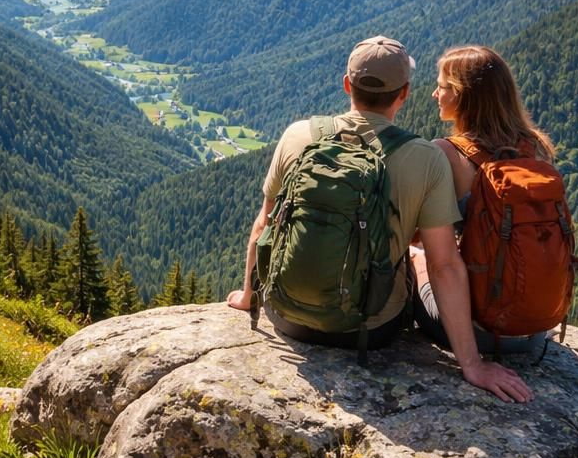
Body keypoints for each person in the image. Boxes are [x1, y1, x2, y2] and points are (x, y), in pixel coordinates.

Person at [227, 36, 533, 403]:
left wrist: (249, 297)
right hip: (371, 328)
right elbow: (444, 265)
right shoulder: (426, 159)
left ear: (346, 85)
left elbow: (265, 224)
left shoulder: (298, 135)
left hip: (286, 316)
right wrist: (472, 365)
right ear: (404, 93)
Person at [412, 44, 557, 354]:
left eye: (441, 88)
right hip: (534, 330)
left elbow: (415, 236)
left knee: (414, 253)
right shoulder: (536, 148)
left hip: (478, 332)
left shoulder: (446, 154)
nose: (434, 95)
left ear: (463, 95)